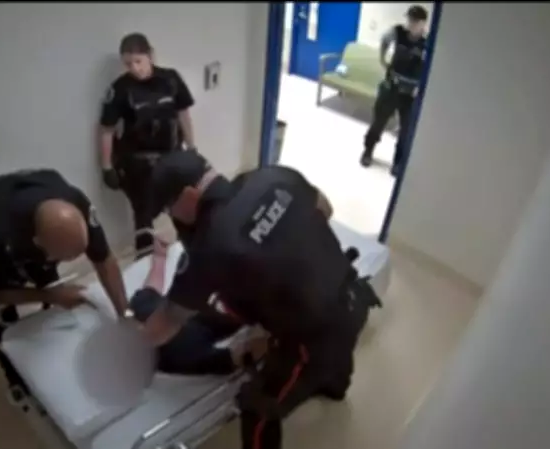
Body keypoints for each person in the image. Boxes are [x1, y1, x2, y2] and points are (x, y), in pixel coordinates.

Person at [140, 151, 382, 449]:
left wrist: (131, 347)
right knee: (339, 352)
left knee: (258, 408)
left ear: (189, 195)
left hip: (313, 341)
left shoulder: (210, 249)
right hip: (354, 296)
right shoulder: (274, 175)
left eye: (169, 209)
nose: (172, 217)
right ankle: (336, 387)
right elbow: (325, 208)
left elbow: (167, 322)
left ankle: (320, 378)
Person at [0, 168, 129, 316]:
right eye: (63, 257)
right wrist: (49, 296)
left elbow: (104, 259)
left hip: (24, 202)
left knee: (56, 289)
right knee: (7, 309)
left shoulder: (77, 203)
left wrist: (125, 312)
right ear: (38, 243)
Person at [98, 32, 196, 255]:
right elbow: (106, 129)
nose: (134, 68)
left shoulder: (171, 80)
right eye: (128, 64)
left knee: (182, 206)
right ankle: (144, 261)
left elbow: (184, 115)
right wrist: (106, 167)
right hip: (137, 163)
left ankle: (191, 251)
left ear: (150, 55)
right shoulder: (120, 89)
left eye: (138, 61)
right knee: (143, 216)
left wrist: (192, 148)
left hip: (171, 156)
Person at [131, 237, 266, 376]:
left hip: (204, 289)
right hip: (221, 310)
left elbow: (152, 288)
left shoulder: (141, 311)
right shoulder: (180, 358)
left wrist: (160, 258)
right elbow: (239, 355)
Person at [361, 5, 429, 177]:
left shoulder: (427, 43)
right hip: (392, 87)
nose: (411, 23)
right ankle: (368, 151)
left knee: (406, 131)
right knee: (378, 123)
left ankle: (398, 163)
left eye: (415, 21)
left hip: (411, 93)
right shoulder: (397, 32)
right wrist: (382, 59)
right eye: (409, 19)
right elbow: (384, 40)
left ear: (423, 23)